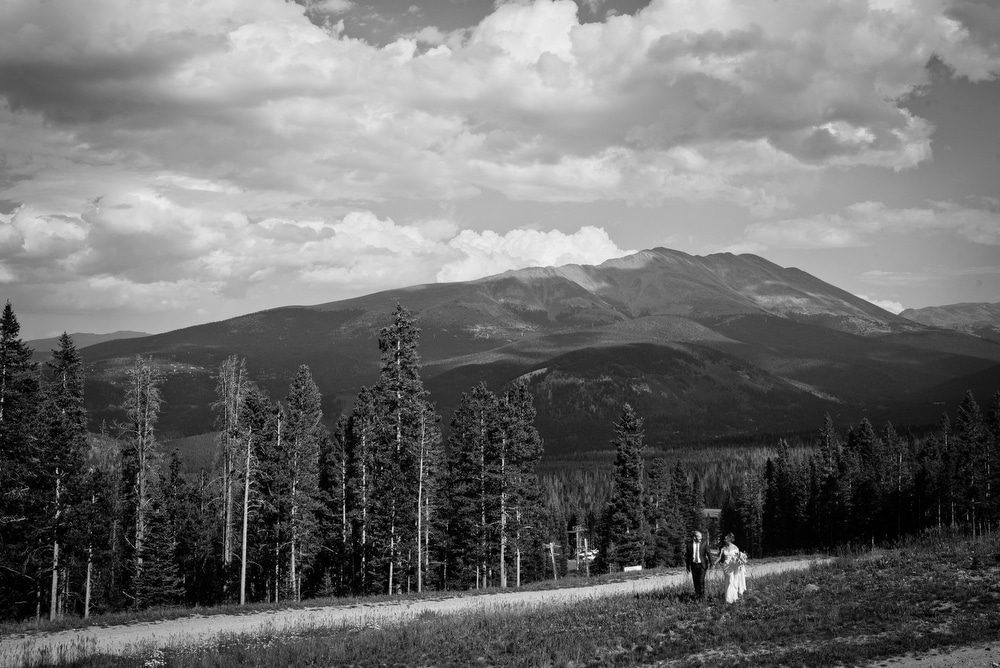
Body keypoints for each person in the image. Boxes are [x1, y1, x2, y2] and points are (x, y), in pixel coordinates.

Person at [717, 532, 746, 604]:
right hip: (726, 566)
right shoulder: (723, 548)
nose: (724, 540)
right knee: (728, 581)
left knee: (732, 580)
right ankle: (729, 598)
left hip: (733, 566)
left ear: (730, 539)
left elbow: (738, 557)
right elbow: (720, 557)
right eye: (724, 538)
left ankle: (732, 598)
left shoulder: (735, 548)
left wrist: (740, 559)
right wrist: (714, 563)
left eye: (726, 539)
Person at [684, 530, 713, 600]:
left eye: (701, 537)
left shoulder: (704, 543)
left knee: (701, 581)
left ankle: (702, 597)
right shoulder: (689, 544)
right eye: (699, 537)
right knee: (696, 581)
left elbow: (709, 553)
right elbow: (687, 556)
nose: (701, 539)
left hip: (702, 565)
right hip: (694, 565)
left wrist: (712, 563)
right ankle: (697, 596)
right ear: (694, 537)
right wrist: (687, 566)